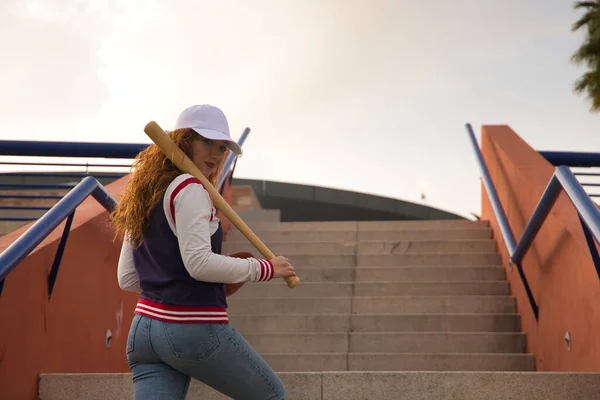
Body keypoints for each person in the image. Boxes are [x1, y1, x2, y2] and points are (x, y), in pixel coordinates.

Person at [111, 104, 296, 400]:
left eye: (222, 147)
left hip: (144, 332)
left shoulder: (143, 193)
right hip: (191, 327)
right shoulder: (191, 188)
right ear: (183, 140)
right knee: (272, 396)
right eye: (206, 141)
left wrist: (169, 287)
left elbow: (128, 278)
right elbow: (198, 263)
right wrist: (265, 268)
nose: (215, 153)